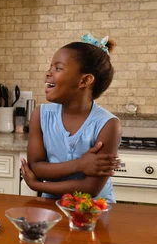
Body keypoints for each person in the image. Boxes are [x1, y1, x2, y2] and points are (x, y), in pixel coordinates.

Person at [20, 33, 121, 203]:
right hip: (52, 207)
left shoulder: (108, 124)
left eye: (58, 68)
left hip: (94, 211)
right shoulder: (40, 114)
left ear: (85, 80)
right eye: (50, 67)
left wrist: (37, 186)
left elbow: (91, 188)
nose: (48, 73)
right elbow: (37, 167)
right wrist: (80, 164)